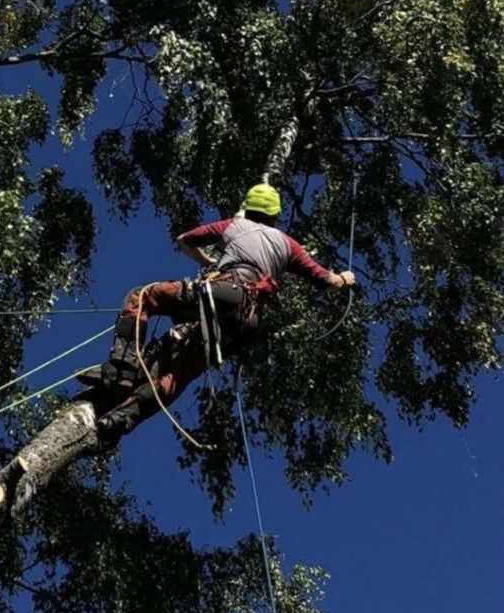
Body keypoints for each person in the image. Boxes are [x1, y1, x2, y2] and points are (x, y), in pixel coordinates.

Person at [79, 183, 355, 442]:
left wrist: (209, 262)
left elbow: (184, 240)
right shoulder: (287, 244)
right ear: (275, 214)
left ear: (248, 208)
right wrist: (344, 278)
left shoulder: (235, 225)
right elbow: (326, 281)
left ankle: (121, 369)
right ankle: (121, 420)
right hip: (245, 322)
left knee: (142, 296)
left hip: (225, 291)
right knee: (180, 371)